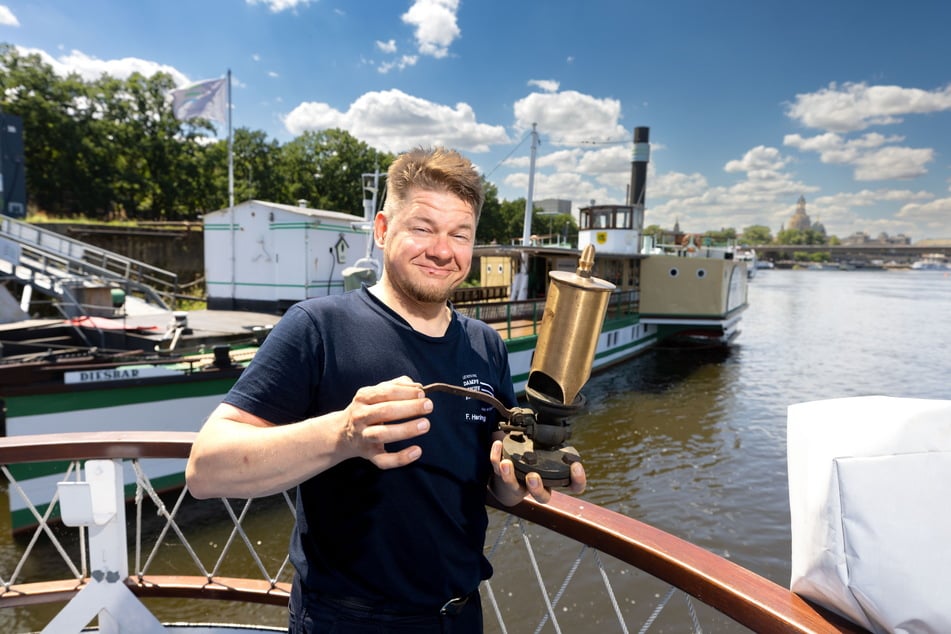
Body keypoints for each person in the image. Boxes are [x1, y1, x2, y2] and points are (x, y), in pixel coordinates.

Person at [185, 146, 586, 633]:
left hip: (459, 616)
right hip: (347, 621)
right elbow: (205, 470)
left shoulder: (486, 345)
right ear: (381, 230)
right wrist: (343, 434)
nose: (442, 250)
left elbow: (487, 484)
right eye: (422, 228)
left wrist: (513, 480)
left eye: (460, 234)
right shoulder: (318, 328)